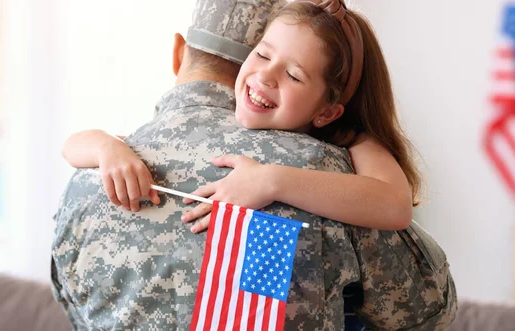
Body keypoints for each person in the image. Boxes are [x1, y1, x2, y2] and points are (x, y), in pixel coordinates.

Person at [52, 0, 457, 329]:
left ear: (328, 112)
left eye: (295, 75)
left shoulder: (85, 185)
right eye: (262, 54)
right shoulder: (332, 169)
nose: (266, 75)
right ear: (246, 59)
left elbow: (73, 308)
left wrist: (272, 181)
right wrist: (106, 147)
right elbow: (429, 308)